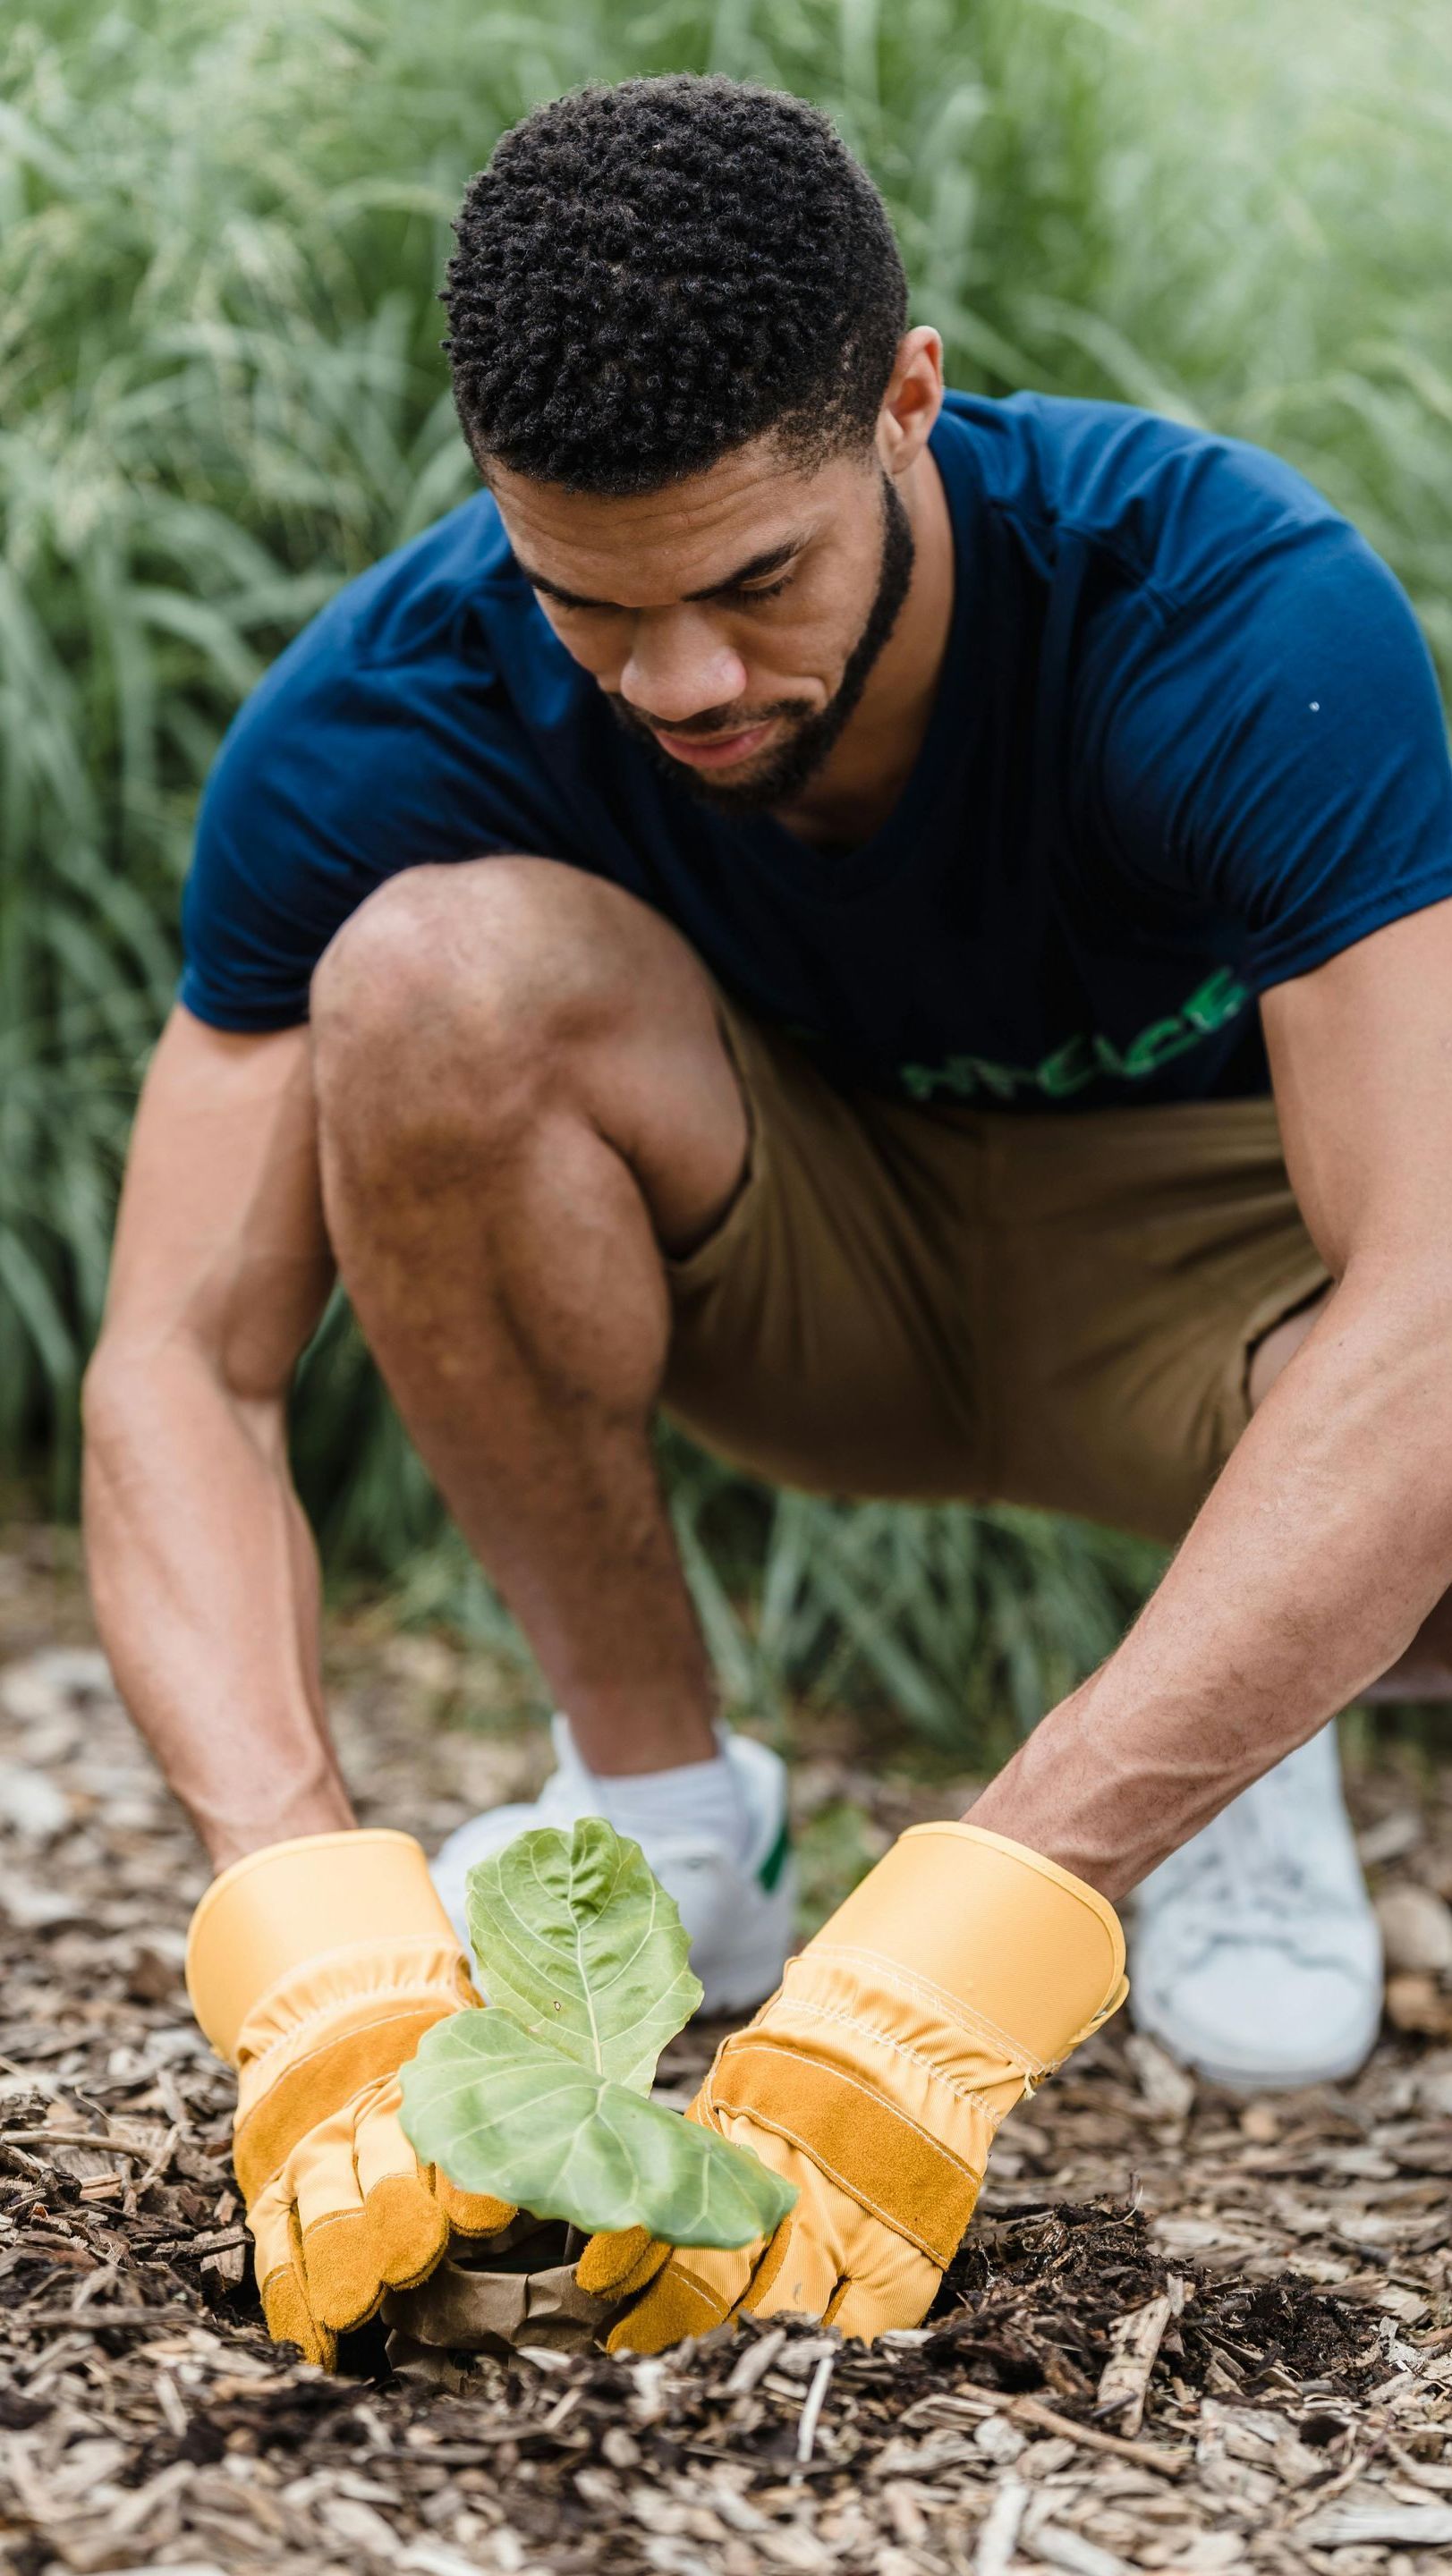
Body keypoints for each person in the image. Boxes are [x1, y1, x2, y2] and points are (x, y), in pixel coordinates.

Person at [84, 75, 1452, 2368]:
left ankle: (1213, 1732)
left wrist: (961, 1961)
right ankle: (659, 1816)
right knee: (419, 981)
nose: (683, 683)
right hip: (791, 1264)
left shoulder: (1220, 605)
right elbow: (173, 1367)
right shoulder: (393, 704)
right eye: (592, 607)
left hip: (1237, 1316)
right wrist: (302, 1939)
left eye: (751, 582)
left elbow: (1425, 1295)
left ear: (907, 403)